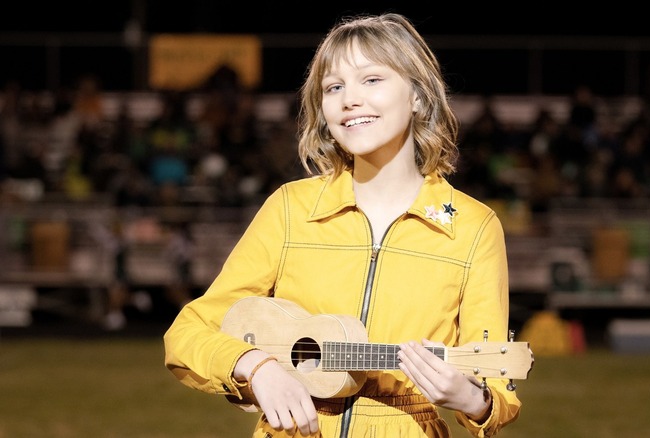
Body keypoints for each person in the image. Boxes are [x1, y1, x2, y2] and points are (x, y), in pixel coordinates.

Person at [164, 13, 522, 437]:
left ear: (418, 97)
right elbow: (189, 332)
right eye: (334, 87)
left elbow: (497, 389)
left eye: (371, 80)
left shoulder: (474, 227)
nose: (349, 99)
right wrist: (255, 368)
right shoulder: (290, 208)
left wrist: (470, 399)